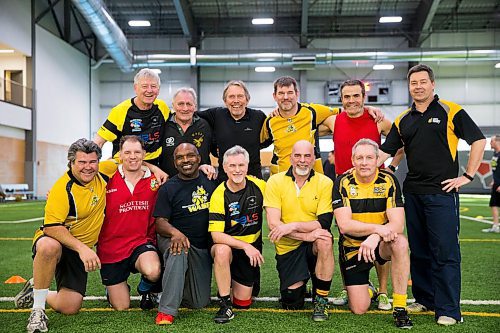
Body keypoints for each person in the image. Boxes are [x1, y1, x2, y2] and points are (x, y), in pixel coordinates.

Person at [378, 64, 486, 326]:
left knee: (445, 252)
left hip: (442, 194)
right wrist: (361, 164)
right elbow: (385, 152)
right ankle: (425, 299)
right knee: (421, 251)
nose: (418, 86)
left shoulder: (451, 111)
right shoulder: (404, 119)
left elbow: (478, 140)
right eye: (413, 83)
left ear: (432, 84)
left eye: (423, 82)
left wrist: (468, 176)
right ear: (409, 86)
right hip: (412, 193)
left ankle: (449, 309)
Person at [14, 139, 117, 333]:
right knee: (48, 246)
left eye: (92, 162)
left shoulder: (105, 170)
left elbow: (133, 157)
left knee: (69, 307)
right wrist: (83, 249)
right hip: (60, 242)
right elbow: (51, 228)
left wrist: (157, 170)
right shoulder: (62, 189)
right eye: (82, 162)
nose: (88, 167)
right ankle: (37, 310)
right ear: (71, 163)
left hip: (78, 251)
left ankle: (34, 288)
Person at [330, 79, 404, 310]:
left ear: (364, 97)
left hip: (375, 186)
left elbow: (401, 141)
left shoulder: (377, 120)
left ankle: (382, 291)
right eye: (347, 96)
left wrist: (391, 167)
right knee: (345, 237)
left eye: (356, 96)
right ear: (341, 99)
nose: (351, 100)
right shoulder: (333, 120)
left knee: (385, 234)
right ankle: (348, 286)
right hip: (346, 190)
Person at [333, 139, 413, 329]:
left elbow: (397, 224)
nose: (364, 162)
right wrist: (377, 229)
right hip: (353, 248)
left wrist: (376, 237)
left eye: (369, 157)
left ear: (377, 159)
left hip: (379, 244)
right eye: (359, 158)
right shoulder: (342, 182)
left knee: (400, 242)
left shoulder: (389, 180)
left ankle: (400, 308)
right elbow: (344, 226)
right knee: (359, 308)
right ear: (352, 160)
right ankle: (369, 290)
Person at [264, 140, 334, 322]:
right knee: (291, 302)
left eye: (307, 156)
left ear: (314, 159)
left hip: (313, 245)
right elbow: (273, 224)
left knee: (325, 240)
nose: (302, 160)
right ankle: (303, 285)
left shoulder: (325, 182)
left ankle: (321, 299)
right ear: (290, 158)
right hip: (288, 247)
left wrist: (292, 225)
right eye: (298, 155)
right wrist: (306, 235)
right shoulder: (275, 181)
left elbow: (324, 222)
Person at [260, 76, 384, 176]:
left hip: (311, 175)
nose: (286, 97)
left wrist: (368, 108)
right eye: (281, 93)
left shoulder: (313, 111)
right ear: (274, 96)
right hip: (281, 177)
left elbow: (347, 109)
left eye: (290, 93)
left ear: (297, 94)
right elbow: (259, 143)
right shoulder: (270, 121)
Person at [153, 143, 217, 325]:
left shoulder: (211, 182)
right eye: (180, 157)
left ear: (199, 158)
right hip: (173, 240)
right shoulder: (168, 188)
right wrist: (176, 233)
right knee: (178, 248)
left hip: (200, 246)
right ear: (174, 163)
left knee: (198, 302)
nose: (186, 160)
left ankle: (169, 285)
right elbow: (159, 223)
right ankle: (166, 311)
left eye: (190, 155)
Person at [96, 135, 162, 311]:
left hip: (141, 242)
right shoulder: (105, 175)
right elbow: (81, 173)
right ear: (120, 155)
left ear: (144, 154)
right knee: (122, 306)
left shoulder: (156, 179)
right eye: (128, 152)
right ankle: (113, 290)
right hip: (111, 248)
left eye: (137, 152)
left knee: (153, 271)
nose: (132, 156)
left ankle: (147, 288)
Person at [208, 146, 266, 323]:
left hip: (251, 248)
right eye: (232, 166)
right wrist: (245, 246)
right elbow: (216, 236)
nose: (237, 170)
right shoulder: (219, 194)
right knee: (221, 250)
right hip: (230, 247)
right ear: (224, 168)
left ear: (247, 166)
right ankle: (225, 304)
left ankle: (232, 283)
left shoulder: (260, 186)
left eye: (241, 165)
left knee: (243, 302)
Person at [94, 68, 170, 182]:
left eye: (153, 86)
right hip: (127, 164)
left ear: (158, 89)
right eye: (144, 86)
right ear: (135, 88)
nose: (149, 90)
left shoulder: (162, 107)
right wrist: (90, 163)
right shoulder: (120, 111)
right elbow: (98, 141)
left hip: (155, 163)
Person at [198, 80, 269, 181]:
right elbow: (190, 115)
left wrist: (253, 146)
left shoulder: (258, 117)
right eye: (231, 97)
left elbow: (269, 138)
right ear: (225, 101)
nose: (236, 100)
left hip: (253, 179)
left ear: (247, 100)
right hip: (225, 180)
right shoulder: (217, 115)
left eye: (240, 96)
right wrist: (214, 146)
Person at [159, 87, 214, 178]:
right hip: (169, 183)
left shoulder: (205, 125)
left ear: (195, 106)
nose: (185, 108)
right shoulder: (163, 125)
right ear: (173, 106)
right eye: (180, 104)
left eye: (189, 104)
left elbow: (216, 150)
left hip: (200, 184)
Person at [482, 135, 500, 233]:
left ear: (498, 141)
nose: (490, 143)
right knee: (493, 204)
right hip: (496, 184)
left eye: (492, 141)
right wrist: (494, 181)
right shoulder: (495, 153)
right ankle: (495, 226)